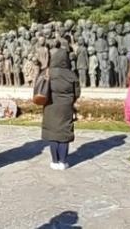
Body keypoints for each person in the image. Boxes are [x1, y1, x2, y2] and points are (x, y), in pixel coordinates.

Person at [41, 42, 81, 170]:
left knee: (53, 133)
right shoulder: (71, 75)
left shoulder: (48, 73)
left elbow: (40, 89)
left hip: (50, 106)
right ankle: (63, 161)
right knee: (64, 133)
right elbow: (77, 93)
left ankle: (54, 161)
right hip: (66, 107)